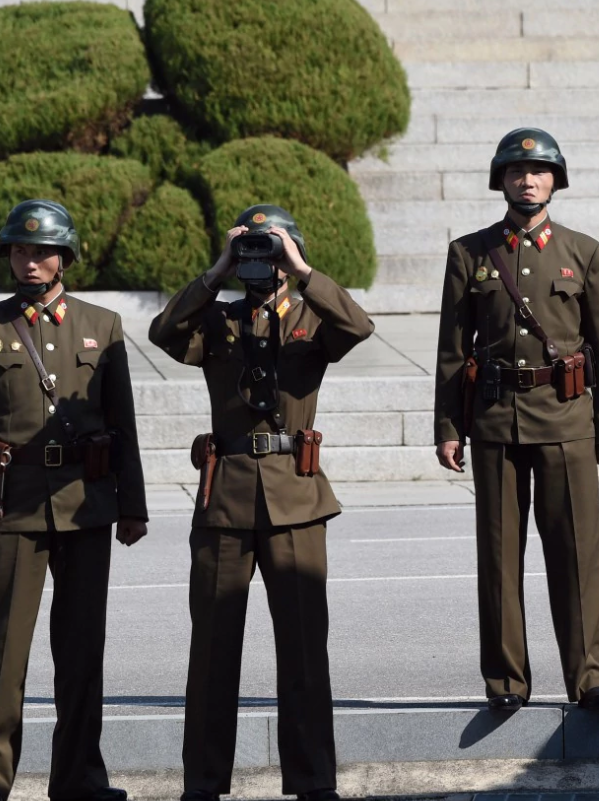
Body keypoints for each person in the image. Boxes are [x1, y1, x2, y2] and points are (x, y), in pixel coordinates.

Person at [148, 205, 374, 801]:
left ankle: (312, 783)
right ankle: (203, 783)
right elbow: (163, 333)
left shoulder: (309, 316)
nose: (259, 263)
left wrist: (303, 270)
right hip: (224, 499)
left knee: (303, 652)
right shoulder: (218, 321)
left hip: (295, 498)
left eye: (267, 251)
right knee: (213, 652)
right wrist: (217, 269)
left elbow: (358, 327)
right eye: (253, 252)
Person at [0, 199, 148, 801]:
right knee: (1, 656)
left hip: (86, 504)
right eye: (18, 250)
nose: (29, 261)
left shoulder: (102, 323)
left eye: (41, 251)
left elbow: (124, 423)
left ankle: (81, 780)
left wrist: (131, 504)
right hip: (12, 508)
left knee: (83, 654)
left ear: (65, 257)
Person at [433, 127, 599, 711]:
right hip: (494, 420)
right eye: (517, 173)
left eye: (539, 171)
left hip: (567, 420)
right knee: (497, 556)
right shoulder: (469, 252)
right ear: (502, 181)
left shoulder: (582, 252)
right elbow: (450, 348)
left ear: (555, 180)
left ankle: (591, 678)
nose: (528, 179)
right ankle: (507, 681)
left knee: (577, 553)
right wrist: (448, 426)